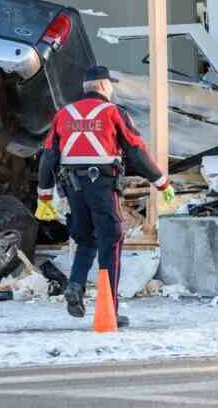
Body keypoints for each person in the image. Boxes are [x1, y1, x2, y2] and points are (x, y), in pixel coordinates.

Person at [36, 66, 175, 327]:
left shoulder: (64, 115)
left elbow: (48, 158)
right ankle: (109, 307)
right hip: (101, 184)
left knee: (85, 239)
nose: (112, 88)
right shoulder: (113, 112)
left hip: (73, 187)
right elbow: (136, 152)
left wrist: (44, 196)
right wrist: (162, 182)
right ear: (102, 86)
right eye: (110, 84)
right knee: (111, 240)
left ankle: (75, 285)